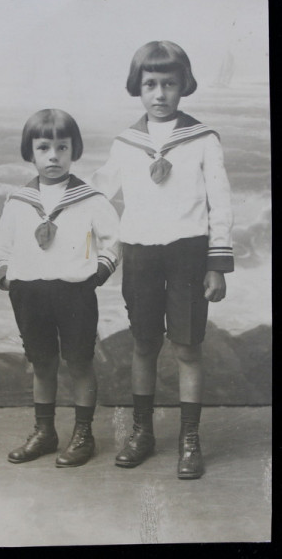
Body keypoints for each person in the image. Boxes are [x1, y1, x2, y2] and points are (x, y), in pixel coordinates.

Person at [92, 41, 234, 478]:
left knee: (188, 347)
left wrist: (217, 262)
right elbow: (99, 194)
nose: (159, 94)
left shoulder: (203, 139)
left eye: (169, 84)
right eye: (150, 84)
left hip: (189, 254)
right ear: (138, 87)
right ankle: (142, 432)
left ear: (183, 86)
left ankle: (189, 439)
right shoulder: (126, 142)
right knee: (144, 344)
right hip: (139, 254)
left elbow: (221, 203)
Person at [0, 108, 121, 467]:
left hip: (74, 292)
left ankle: (83, 433)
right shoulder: (19, 201)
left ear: (74, 151)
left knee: (78, 362)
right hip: (29, 294)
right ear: (30, 153)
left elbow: (113, 240)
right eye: (44, 148)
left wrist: (98, 272)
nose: (53, 156)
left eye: (62, 147)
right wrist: (5, 275)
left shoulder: (90, 199)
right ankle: (45, 432)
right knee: (42, 363)